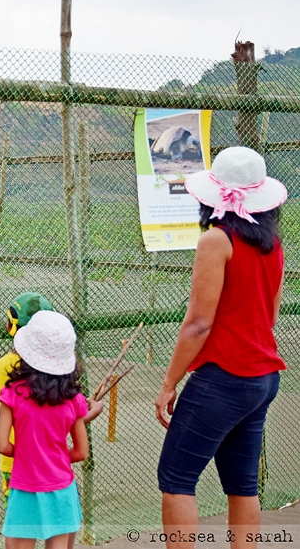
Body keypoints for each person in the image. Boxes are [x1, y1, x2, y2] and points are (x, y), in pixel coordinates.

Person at [155, 146, 287, 549]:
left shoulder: (216, 240)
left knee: (176, 478)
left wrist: (168, 383)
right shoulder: (273, 245)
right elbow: (272, 317)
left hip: (225, 377)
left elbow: (197, 324)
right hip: (262, 378)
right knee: (242, 484)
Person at [0, 294, 103, 515]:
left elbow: (6, 413)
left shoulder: (4, 367)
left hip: (17, 462)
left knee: (21, 524)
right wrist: (85, 415)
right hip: (55, 466)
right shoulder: (61, 377)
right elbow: (59, 420)